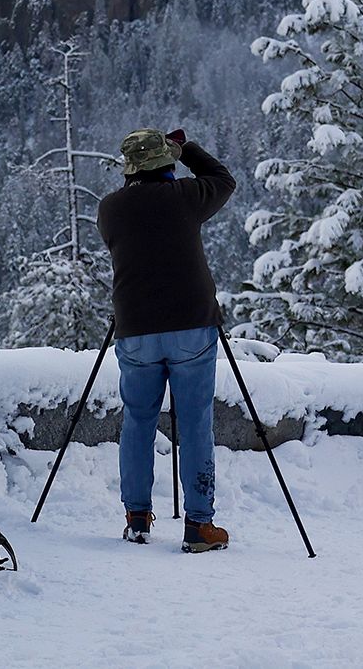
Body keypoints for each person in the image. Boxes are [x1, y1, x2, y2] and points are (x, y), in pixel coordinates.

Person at [96, 126, 236, 553]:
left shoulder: (110, 210)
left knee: (138, 421)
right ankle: (199, 526)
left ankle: (137, 518)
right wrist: (186, 148)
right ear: (166, 163)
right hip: (191, 323)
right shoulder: (186, 198)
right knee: (194, 422)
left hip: (136, 328)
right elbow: (223, 180)